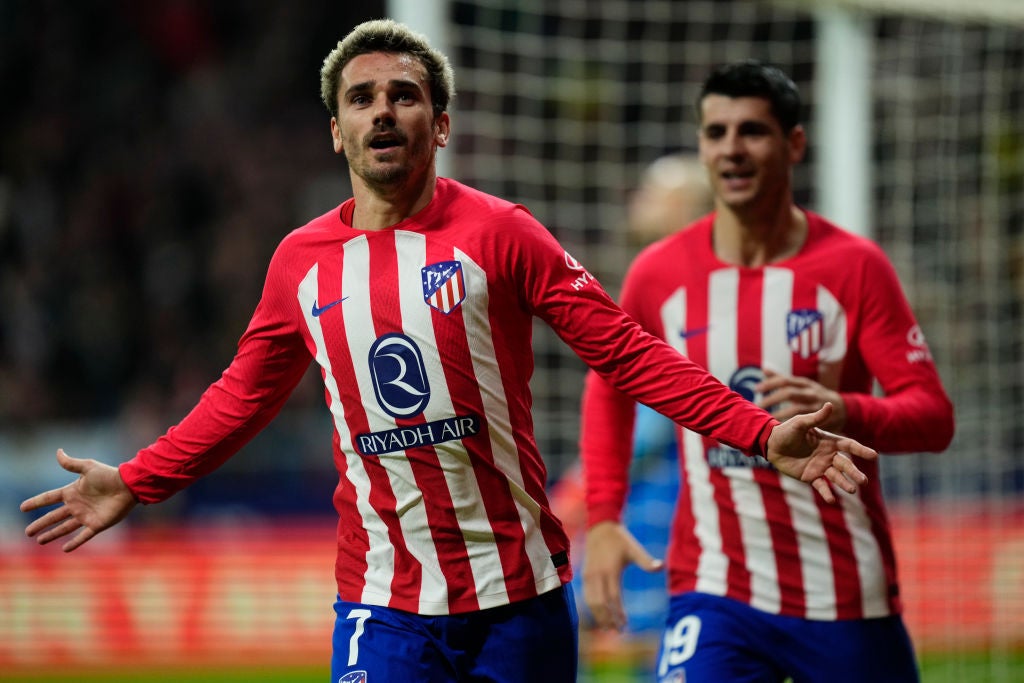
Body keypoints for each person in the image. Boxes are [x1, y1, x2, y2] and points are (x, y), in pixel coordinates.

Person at [20, 25, 876, 683]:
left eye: (404, 94)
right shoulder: (300, 263)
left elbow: (628, 352)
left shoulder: (503, 235)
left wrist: (761, 432)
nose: (383, 110)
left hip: (522, 596)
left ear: (442, 122)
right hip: (383, 599)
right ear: (336, 132)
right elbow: (241, 398)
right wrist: (137, 480)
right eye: (362, 99)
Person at [579, 59, 955, 683]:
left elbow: (933, 416)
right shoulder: (659, 272)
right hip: (714, 587)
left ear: (794, 144)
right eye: (716, 132)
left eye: (751, 130)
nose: (732, 148)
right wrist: (603, 517)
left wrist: (846, 407)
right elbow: (608, 389)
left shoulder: (854, 268)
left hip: (843, 590)